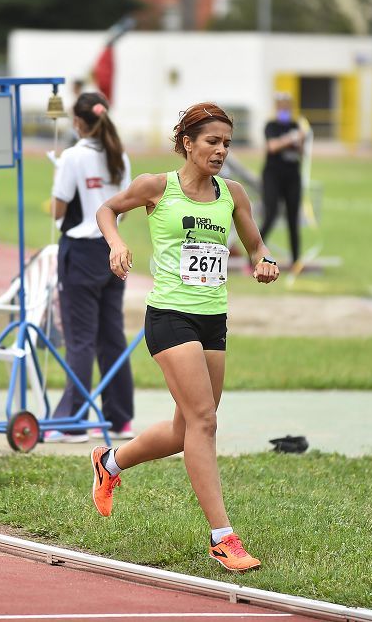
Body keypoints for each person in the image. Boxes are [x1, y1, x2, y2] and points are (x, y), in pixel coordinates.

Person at [95, 102, 280, 571]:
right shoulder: (157, 187)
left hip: (212, 318)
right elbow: (107, 209)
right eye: (211, 142)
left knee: (186, 430)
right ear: (187, 144)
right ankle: (223, 537)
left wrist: (263, 259)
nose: (220, 151)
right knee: (204, 422)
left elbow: (256, 242)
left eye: (226, 144)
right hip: (169, 316)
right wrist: (118, 243)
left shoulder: (233, 194)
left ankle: (110, 463)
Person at [45, 92, 135, 443]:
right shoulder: (120, 156)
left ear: (79, 122)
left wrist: (57, 175)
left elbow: (57, 210)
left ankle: (73, 421)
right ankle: (119, 418)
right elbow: (122, 208)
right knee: (111, 335)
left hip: (81, 251)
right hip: (112, 247)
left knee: (80, 338)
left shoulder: (72, 157)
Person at [258, 92, 305, 269]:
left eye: (287, 106)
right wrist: (291, 138)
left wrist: (301, 140)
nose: (284, 109)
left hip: (292, 176)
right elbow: (272, 146)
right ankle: (254, 256)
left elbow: (302, 152)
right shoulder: (271, 126)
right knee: (271, 214)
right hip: (273, 176)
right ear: (277, 107)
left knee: (294, 218)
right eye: (281, 106)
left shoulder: (296, 125)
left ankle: (296, 260)